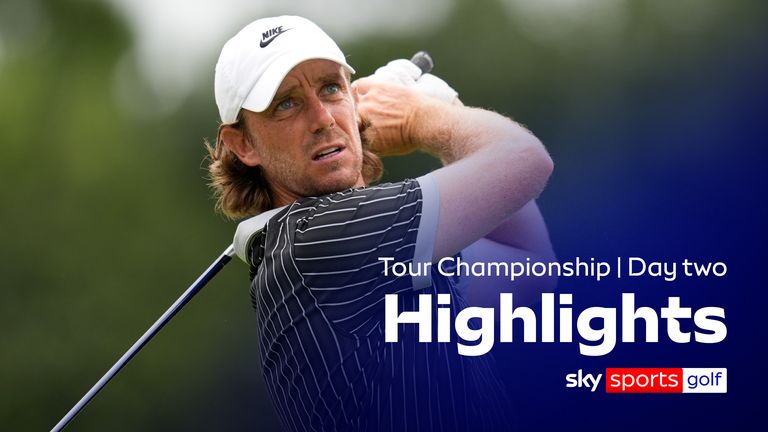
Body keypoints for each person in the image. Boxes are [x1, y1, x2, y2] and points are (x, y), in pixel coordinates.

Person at [207, 15, 554, 432]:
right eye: (286, 103)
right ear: (243, 144)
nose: (323, 118)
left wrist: (448, 113)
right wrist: (421, 119)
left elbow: (532, 270)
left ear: (354, 103)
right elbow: (527, 160)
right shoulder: (315, 242)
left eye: (331, 88)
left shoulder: (372, 248)